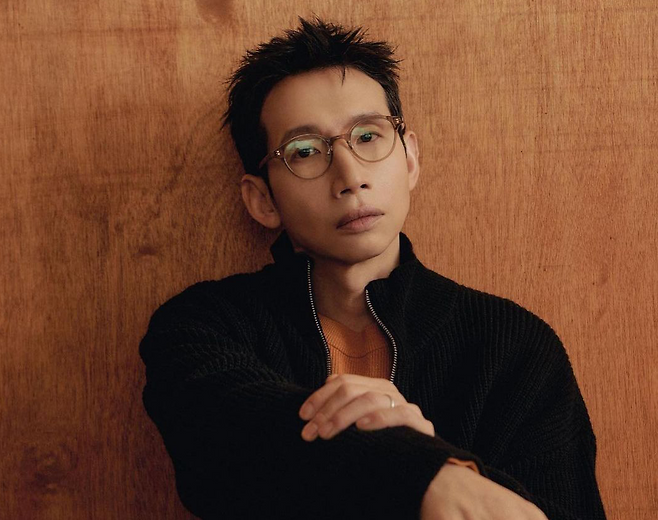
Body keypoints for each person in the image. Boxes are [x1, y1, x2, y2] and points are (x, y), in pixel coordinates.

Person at [139, 16, 607, 520]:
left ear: (410, 159)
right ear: (262, 200)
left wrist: (440, 469)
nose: (350, 176)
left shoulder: (514, 347)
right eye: (304, 151)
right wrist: (420, 469)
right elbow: (228, 451)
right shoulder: (204, 327)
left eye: (367, 136)